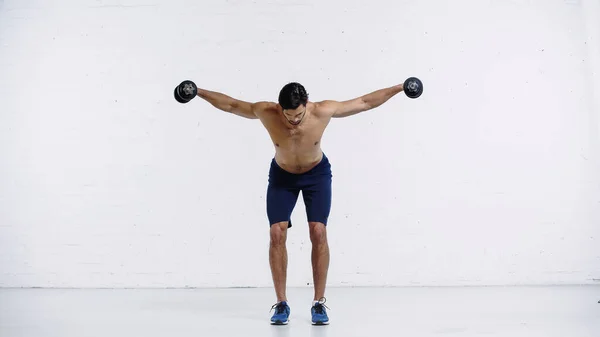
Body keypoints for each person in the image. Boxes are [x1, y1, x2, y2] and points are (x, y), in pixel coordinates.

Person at [194, 81, 407, 325]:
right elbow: (231, 104)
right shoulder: (267, 112)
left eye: (298, 115)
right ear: (279, 107)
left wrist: (400, 88)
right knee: (276, 232)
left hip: (316, 175)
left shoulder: (322, 111)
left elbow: (364, 102)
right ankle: (281, 303)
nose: (293, 121)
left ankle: (319, 303)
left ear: (306, 104)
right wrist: (198, 91)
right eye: (288, 115)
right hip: (282, 177)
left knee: (318, 231)